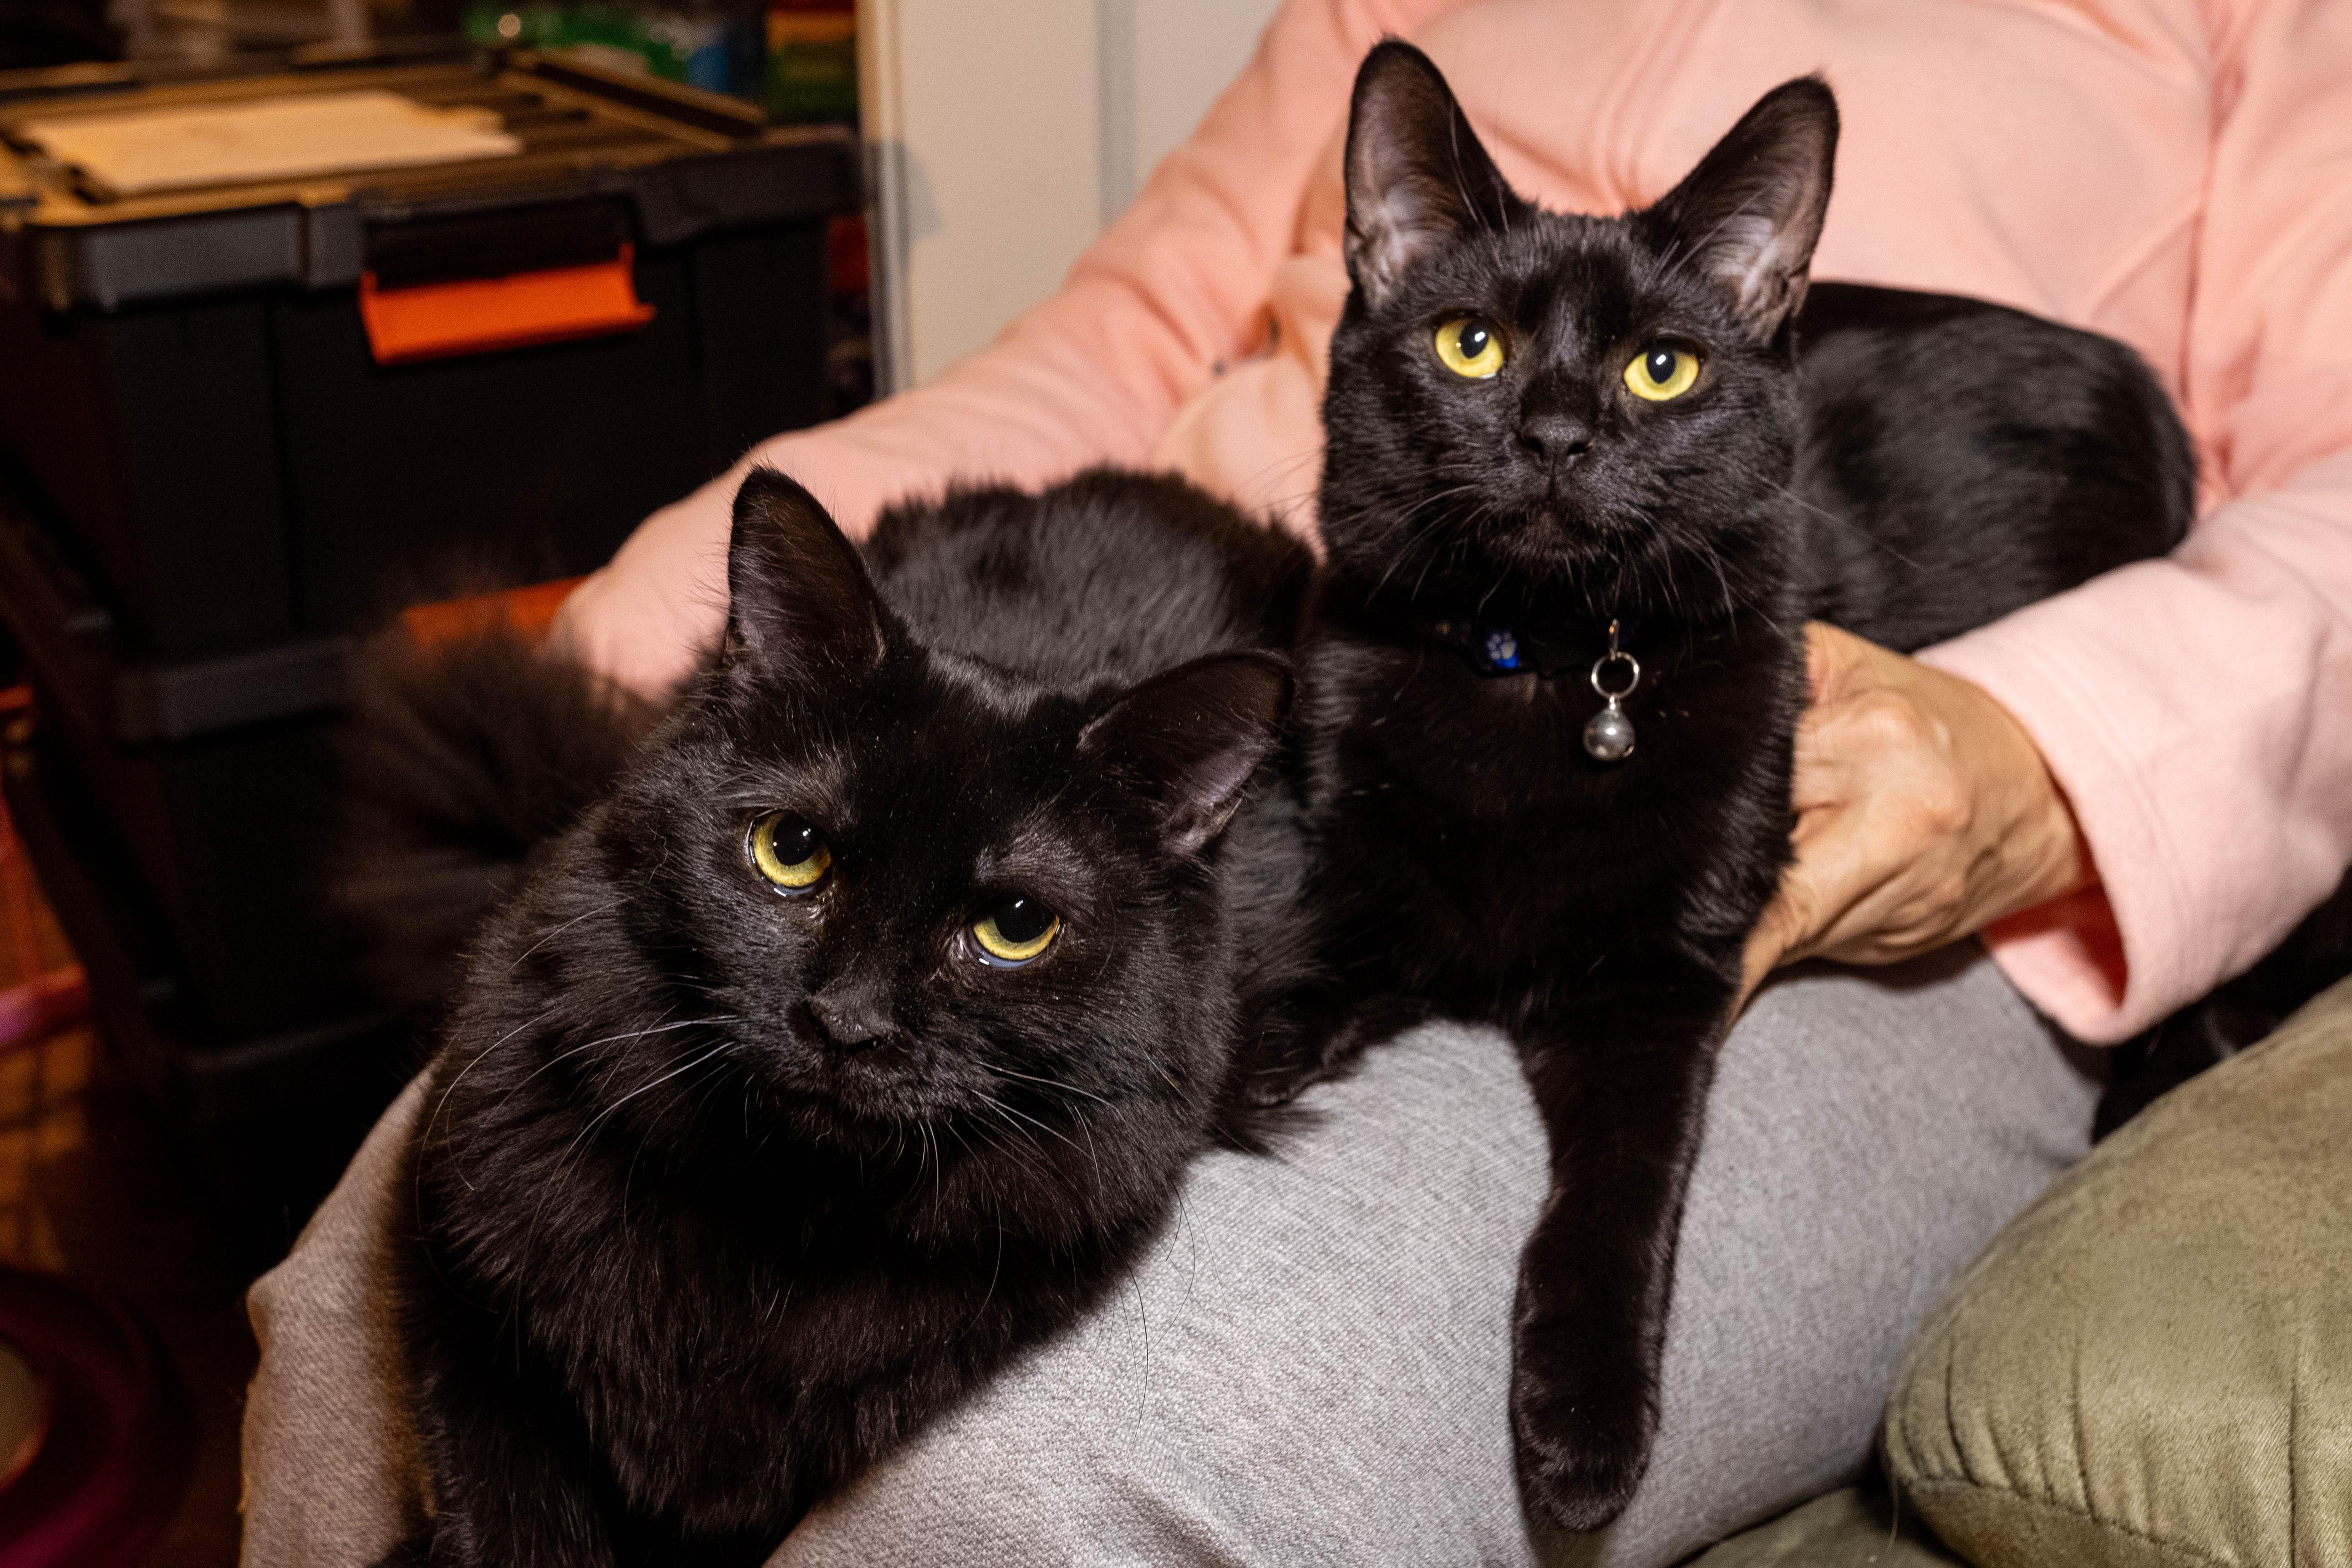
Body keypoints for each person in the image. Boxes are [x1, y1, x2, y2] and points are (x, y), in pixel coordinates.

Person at [239, 2, 2352, 1564]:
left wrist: (2041, 749)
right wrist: (669, 651)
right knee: (384, 1255)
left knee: (1036, 1470)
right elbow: (1114, 340)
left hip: (1852, 822)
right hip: (1269, 666)